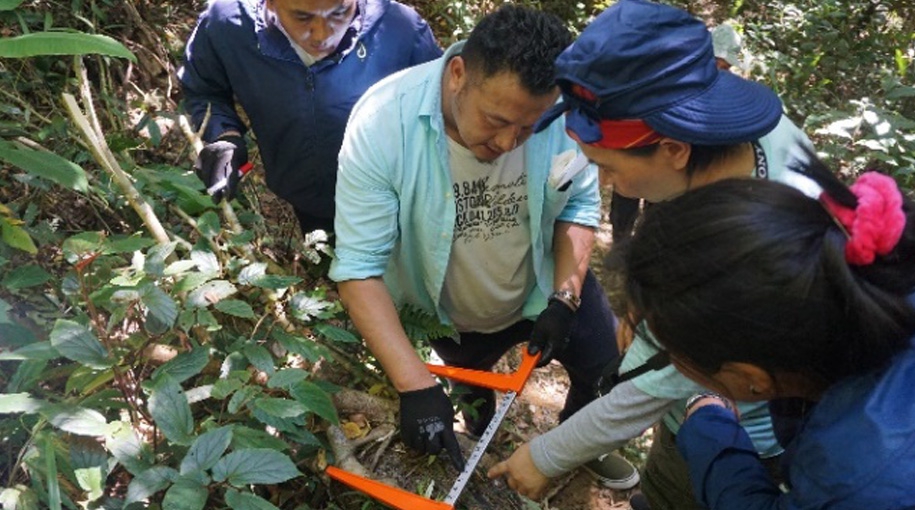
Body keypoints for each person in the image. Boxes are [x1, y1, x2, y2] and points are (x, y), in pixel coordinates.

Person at [488, 1, 819, 508]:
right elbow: (675, 201)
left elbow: (665, 380)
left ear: (673, 149)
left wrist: (547, 456)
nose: (603, 183)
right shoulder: (732, 146)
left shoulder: (752, 248)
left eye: (609, 168)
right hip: (690, 409)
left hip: (746, 433)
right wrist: (645, 307)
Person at [328, 4, 639, 488]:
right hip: (454, 314)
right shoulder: (383, 123)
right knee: (472, 389)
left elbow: (578, 206)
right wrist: (413, 384)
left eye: (528, 127)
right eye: (496, 120)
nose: (509, 142)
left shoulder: (563, 114)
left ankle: (580, 447)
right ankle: (480, 441)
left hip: (546, 287)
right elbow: (358, 268)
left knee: (603, 368)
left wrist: (565, 295)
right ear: (458, 74)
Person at [620, 159, 915, 509]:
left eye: (669, 351)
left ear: (751, 380)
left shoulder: (856, 479)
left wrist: (708, 421)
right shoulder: (873, 283)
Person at [179, 0, 441, 236]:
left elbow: (443, 108)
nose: (323, 35)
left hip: (396, 202)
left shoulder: (399, 28)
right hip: (309, 201)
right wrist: (225, 137)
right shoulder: (228, 26)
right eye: (303, 18)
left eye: (339, 12)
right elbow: (204, 89)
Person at [607, 20, 744, 245]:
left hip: (670, 159)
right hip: (638, 147)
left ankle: (643, 251)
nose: (723, 70)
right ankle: (619, 246)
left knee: (657, 208)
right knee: (626, 199)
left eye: (727, 67)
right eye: (720, 63)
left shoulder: (714, 87)